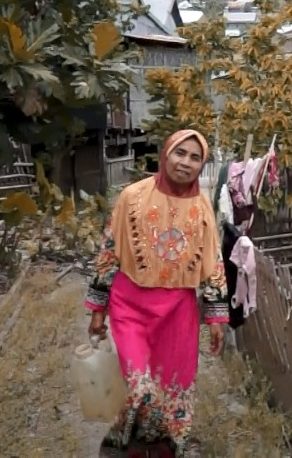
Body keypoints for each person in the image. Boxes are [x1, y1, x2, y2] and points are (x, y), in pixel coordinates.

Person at [85, 129, 228, 457]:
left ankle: (162, 450)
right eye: (180, 153)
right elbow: (110, 250)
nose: (186, 163)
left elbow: (213, 261)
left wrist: (216, 318)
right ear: (165, 154)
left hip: (178, 311)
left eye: (195, 157)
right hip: (129, 305)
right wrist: (98, 311)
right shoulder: (131, 196)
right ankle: (125, 445)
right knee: (139, 388)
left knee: (172, 391)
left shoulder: (203, 208)